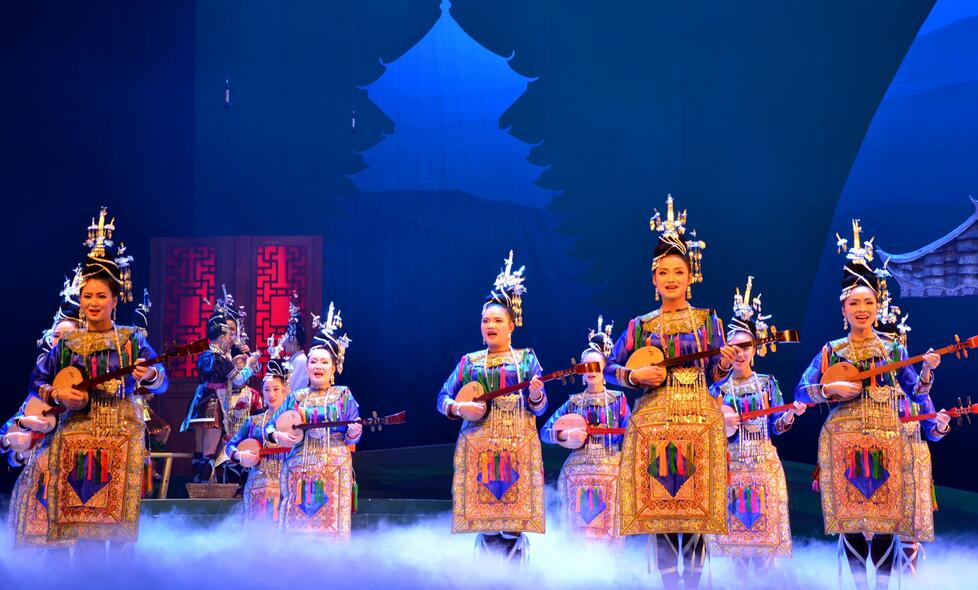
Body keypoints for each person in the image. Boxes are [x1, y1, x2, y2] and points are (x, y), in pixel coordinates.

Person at [794, 220, 948, 590]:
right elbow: (801, 392)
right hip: (844, 445)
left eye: (868, 302)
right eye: (854, 303)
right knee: (852, 521)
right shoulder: (832, 351)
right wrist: (831, 390)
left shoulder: (893, 349)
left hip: (887, 443)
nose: (862, 309)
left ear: (877, 306)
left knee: (882, 523)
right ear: (843, 309)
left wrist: (927, 371)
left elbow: (915, 392)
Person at [604, 196, 736, 589]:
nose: (671, 279)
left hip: (699, 422)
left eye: (679, 271)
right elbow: (610, 368)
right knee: (662, 507)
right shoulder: (640, 325)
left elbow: (715, 374)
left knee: (695, 511)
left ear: (691, 276)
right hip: (653, 426)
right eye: (663, 272)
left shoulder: (708, 321)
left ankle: (692, 584)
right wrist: (633, 375)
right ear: (654, 279)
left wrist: (724, 364)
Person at [24, 207, 168, 545]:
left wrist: (148, 374)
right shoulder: (67, 343)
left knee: (117, 525)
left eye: (101, 296)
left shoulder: (132, 339)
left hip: (121, 432)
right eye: (87, 296)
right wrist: (57, 395)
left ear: (115, 300)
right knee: (76, 521)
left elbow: (162, 380)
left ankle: (117, 571)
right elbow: (37, 381)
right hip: (74, 433)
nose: (92, 302)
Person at [437, 250, 547, 562]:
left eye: (498, 320)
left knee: (512, 526)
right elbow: (442, 398)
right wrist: (459, 409)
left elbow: (540, 408)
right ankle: (486, 578)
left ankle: (514, 575)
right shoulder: (469, 362)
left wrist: (536, 395)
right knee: (486, 525)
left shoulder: (526, 360)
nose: (491, 325)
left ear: (512, 325)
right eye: (486, 320)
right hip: (480, 451)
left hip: (518, 448)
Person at [706, 277, 805, 572]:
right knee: (736, 541)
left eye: (745, 346)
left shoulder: (767, 384)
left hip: (763, 465)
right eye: (734, 347)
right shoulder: (717, 389)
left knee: (763, 542)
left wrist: (791, 414)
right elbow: (707, 430)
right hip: (730, 467)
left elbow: (776, 426)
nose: (739, 352)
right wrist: (721, 420)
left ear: (754, 349)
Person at [268, 303, 360, 540]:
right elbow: (269, 426)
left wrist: (353, 431)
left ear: (334, 367)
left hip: (334, 467)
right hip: (299, 467)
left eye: (324, 362)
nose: (318, 366)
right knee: (298, 526)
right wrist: (278, 435)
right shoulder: (296, 397)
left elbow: (355, 434)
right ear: (307, 366)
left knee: (331, 528)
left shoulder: (344, 394)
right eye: (313, 361)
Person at [541, 316, 629, 541]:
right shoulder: (573, 402)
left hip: (611, 466)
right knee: (580, 526)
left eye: (596, 366)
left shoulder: (618, 400)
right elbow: (545, 432)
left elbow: (630, 435)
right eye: (586, 367)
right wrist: (564, 434)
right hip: (577, 469)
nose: (591, 371)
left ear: (605, 369)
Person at [180, 286, 261, 482]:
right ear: (222, 335)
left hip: (200, 402)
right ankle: (205, 486)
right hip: (215, 403)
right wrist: (249, 365)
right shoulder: (220, 358)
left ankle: (198, 484)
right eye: (229, 334)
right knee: (209, 451)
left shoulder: (204, 355)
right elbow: (239, 380)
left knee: (201, 447)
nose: (231, 338)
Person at [225, 356, 291, 523]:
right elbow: (230, 446)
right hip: (258, 485)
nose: (271, 394)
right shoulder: (254, 421)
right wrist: (240, 455)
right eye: (267, 390)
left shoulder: (295, 419)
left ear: (285, 390)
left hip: (288, 483)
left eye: (276, 389)